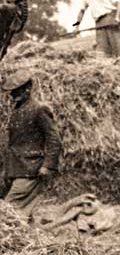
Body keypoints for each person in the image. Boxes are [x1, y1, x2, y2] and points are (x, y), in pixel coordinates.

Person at [2, 70, 62, 221]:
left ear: (28, 88)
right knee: (22, 214)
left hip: (31, 169)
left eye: (16, 90)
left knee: (8, 211)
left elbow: (54, 139)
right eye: (12, 91)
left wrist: (48, 166)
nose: (12, 95)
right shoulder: (17, 111)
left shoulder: (39, 109)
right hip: (16, 169)